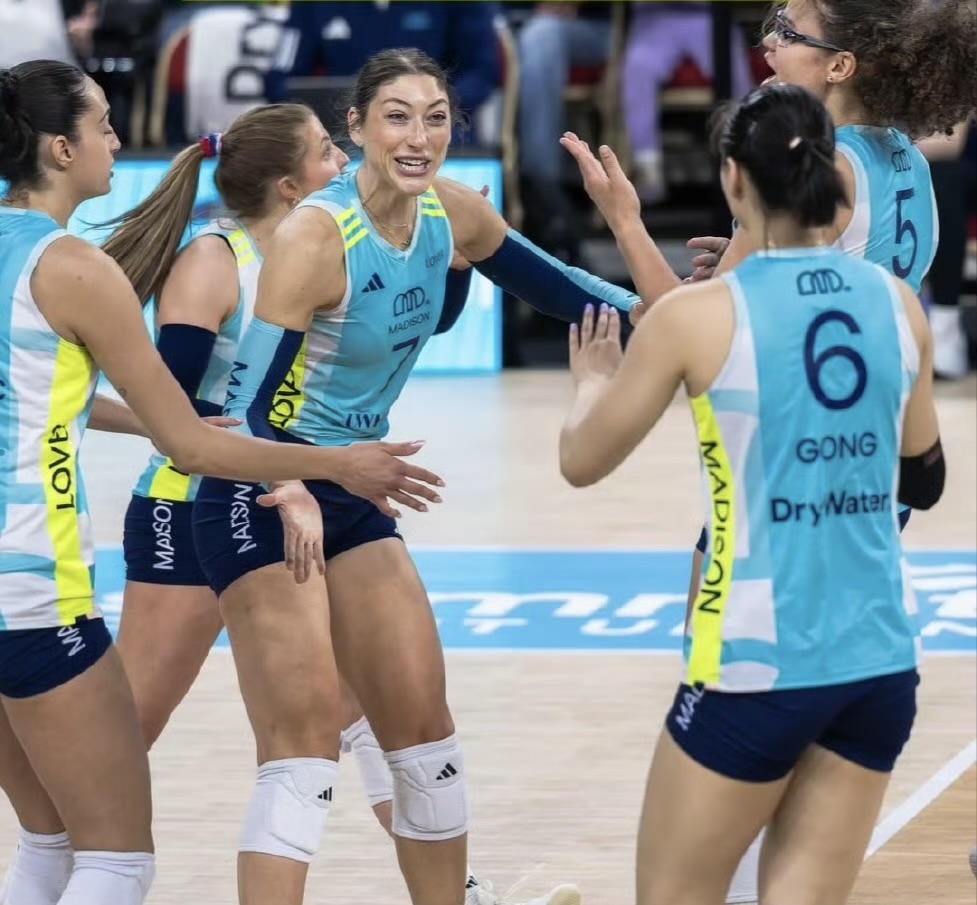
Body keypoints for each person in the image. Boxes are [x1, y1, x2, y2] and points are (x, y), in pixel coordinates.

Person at [97, 101, 580, 905]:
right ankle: (70, 864)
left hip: (305, 492)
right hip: (195, 505)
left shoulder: (330, 248)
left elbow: (427, 323)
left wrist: (455, 262)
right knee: (131, 725)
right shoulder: (214, 260)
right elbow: (169, 405)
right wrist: (264, 460)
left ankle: (453, 887)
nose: (344, 163)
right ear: (291, 186)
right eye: (328, 151)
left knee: (360, 711)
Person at [191, 46, 640, 905]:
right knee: (302, 752)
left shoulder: (452, 210)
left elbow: (565, 289)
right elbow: (242, 411)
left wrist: (678, 306)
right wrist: (298, 484)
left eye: (435, 118)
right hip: (264, 485)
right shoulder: (315, 235)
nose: (418, 135)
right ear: (356, 128)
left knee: (425, 740)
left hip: (354, 481)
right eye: (396, 116)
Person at [0, 58, 444, 905]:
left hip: (242, 495)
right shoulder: (112, 264)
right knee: (112, 849)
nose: (116, 141)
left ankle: (453, 879)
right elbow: (190, 441)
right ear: (59, 149)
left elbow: (70, 398)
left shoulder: (335, 247)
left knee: (344, 708)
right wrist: (329, 465)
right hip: (68, 563)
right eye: (102, 127)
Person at [562, 6, 974, 896]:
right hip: (870, 509)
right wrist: (762, 267)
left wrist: (626, 224)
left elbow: (680, 321)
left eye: (787, 28)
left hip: (773, 498)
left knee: (725, 763)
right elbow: (848, 284)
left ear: (841, 65)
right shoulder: (906, 163)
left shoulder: (813, 157)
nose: (767, 41)